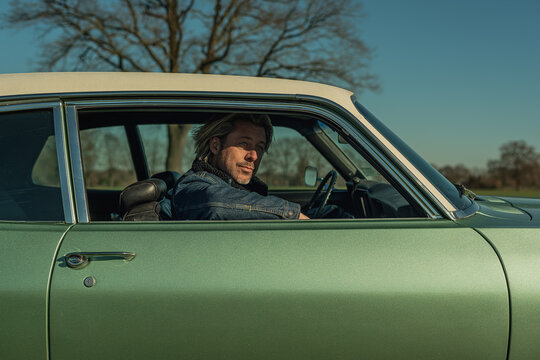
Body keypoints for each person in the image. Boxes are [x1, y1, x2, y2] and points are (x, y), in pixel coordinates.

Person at [171, 114, 309, 220]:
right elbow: (215, 201)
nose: (253, 156)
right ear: (215, 146)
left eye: (259, 147)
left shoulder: (245, 191)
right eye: (243, 144)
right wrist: (291, 213)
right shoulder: (192, 185)